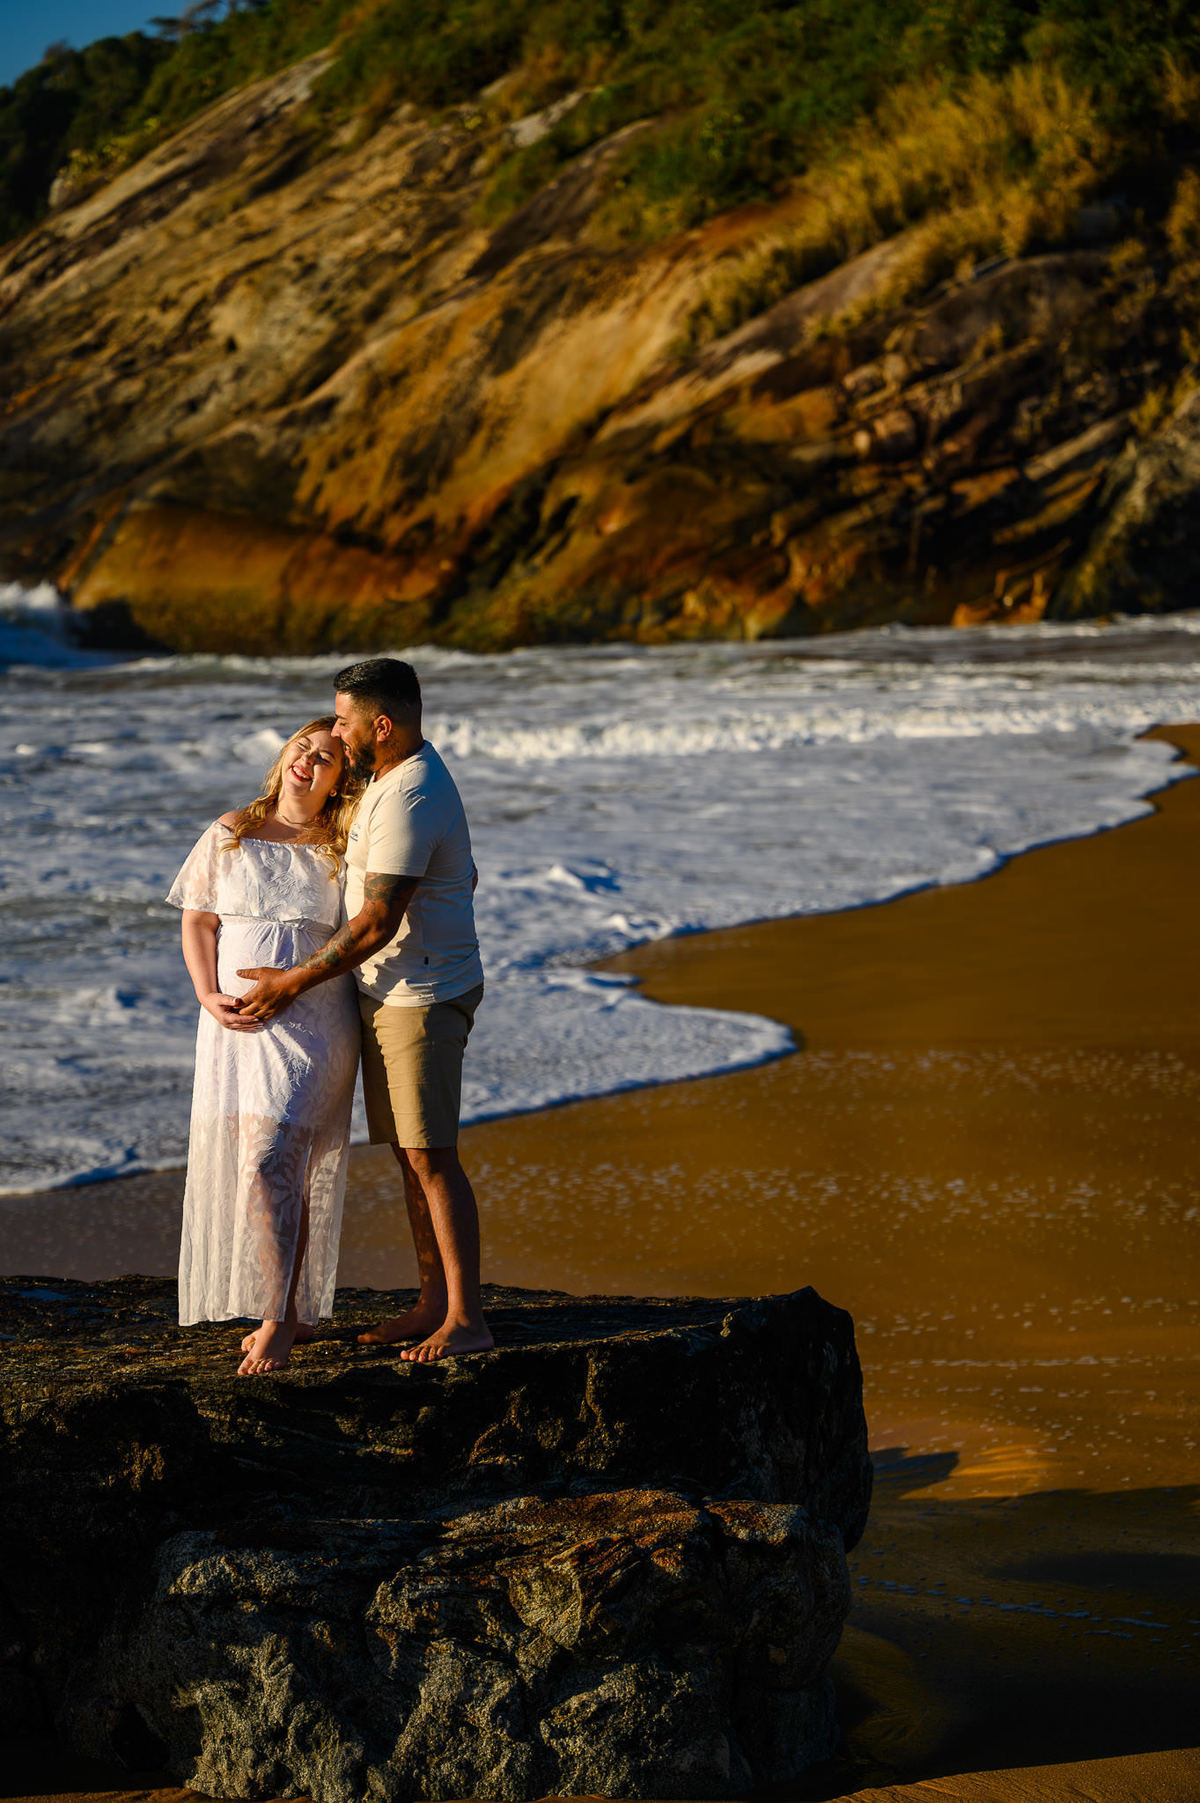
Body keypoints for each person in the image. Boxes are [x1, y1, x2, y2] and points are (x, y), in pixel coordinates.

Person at [236, 658, 492, 1363]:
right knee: (412, 1156)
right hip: (392, 991)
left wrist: (290, 982)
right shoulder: (387, 775)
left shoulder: (412, 792)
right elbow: (457, 871)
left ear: (382, 724)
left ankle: (467, 1318)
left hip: (423, 997)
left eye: (344, 720)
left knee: (432, 1156)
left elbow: (378, 921)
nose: (337, 732)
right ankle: (434, 1301)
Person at [166, 717, 361, 1377]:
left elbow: (377, 919)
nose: (309, 760)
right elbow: (198, 917)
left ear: (341, 780)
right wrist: (205, 993)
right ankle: (294, 1307)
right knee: (280, 1169)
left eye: (327, 757)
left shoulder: (345, 843)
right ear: (284, 755)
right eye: (302, 747)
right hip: (236, 1026)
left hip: (314, 1024)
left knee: (270, 1160)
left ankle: (276, 1321)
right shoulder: (233, 829)